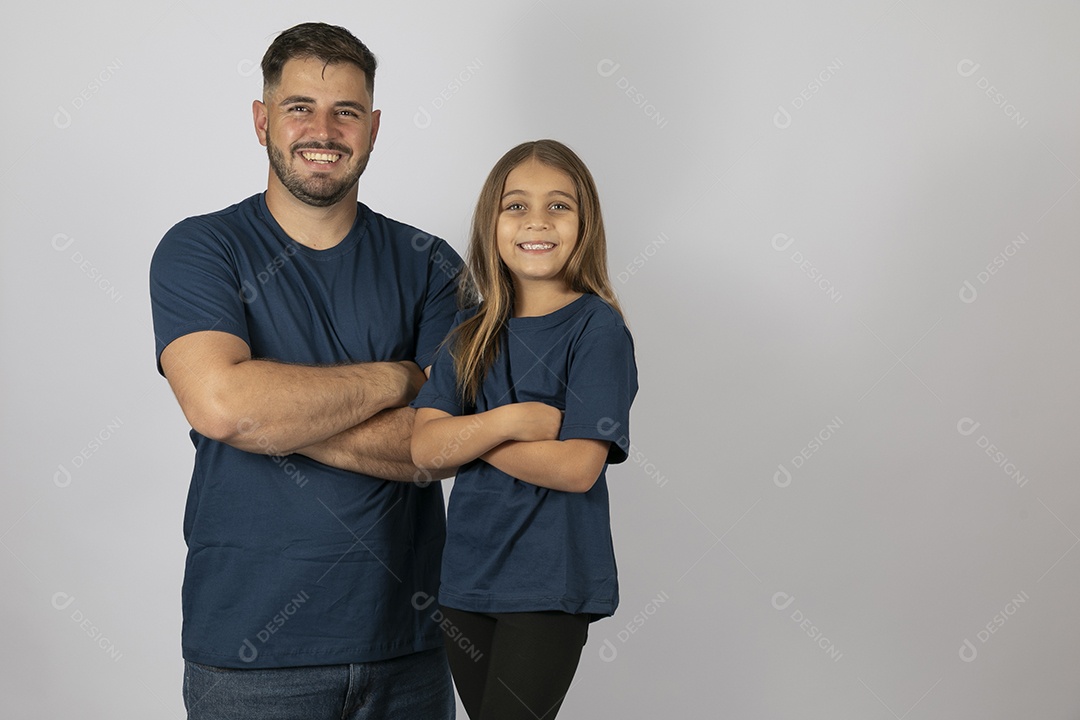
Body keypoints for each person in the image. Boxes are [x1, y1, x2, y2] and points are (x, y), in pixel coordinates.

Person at [149, 22, 462, 720]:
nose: (323, 131)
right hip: (248, 655)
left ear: (373, 128)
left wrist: (268, 417)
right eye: (300, 108)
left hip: (409, 647)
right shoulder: (202, 249)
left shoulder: (431, 264)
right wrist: (401, 379)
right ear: (262, 120)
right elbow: (223, 405)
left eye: (346, 111)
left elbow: (441, 447)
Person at [410, 139, 639, 720]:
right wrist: (510, 421)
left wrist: (470, 436)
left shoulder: (596, 329)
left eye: (558, 206)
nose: (537, 221)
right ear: (491, 223)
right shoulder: (468, 331)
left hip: (548, 586)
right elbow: (426, 450)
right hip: (466, 584)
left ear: (585, 224)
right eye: (516, 206)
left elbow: (576, 467)